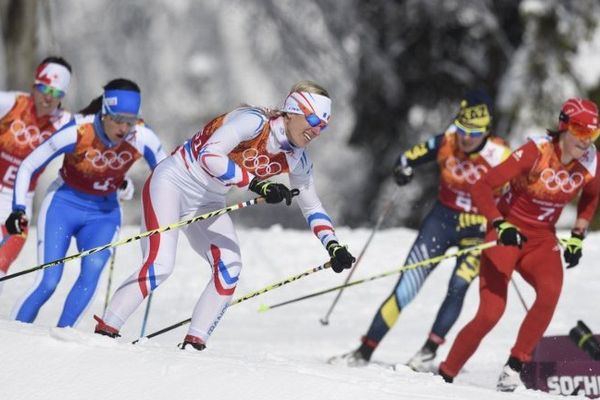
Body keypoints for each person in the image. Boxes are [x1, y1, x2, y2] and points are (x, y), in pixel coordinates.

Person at [94, 80, 356, 349]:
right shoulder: (253, 121)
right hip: (174, 181)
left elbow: (312, 207)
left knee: (229, 268)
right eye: (313, 118)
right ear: (291, 110)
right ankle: (106, 331)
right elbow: (210, 155)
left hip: (208, 201)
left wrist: (332, 245)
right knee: (160, 265)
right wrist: (257, 183)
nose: (317, 129)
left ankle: (194, 344)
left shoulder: (297, 159)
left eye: (323, 124)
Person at [328, 91, 511, 371]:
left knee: (458, 287)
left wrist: (505, 224)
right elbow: (406, 158)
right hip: (441, 221)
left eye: (473, 133)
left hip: (476, 229)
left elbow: (519, 191)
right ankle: (364, 351)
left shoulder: (500, 154)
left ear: (486, 131)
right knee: (406, 286)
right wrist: (403, 171)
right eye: (462, 130)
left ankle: (428, 351)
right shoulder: (447, 141)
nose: (465, 138)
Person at [438, 98, 600, 391]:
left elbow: (591, 196)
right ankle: (446, 375)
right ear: (564, 126)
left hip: (540, 240)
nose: (586, 140)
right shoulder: (535, 151)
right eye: (580, 130)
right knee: (491, 314)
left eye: (593, 134)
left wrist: (577, 235)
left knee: (550, 291)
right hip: (507, 232)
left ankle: (514, 366)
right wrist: (499, 223)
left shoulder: (590, 161)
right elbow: (482, 186)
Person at [6, 78, 167, 327]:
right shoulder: (79, 131)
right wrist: (18, 209)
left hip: (103, 213)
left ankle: (64, 338)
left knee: (91, 272)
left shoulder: (142, 136)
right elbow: (28, 164)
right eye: (117, 120)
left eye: (130, 121)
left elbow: (167, 175)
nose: (124, 128)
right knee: (48, 280)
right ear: (105, 112)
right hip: (63, 204)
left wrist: (162, 210)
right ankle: (12, 335)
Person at [0, 57, 73, 284]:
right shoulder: (11, 103)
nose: (48, 97)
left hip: (18, 206)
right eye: (44, 88)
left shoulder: (65, 123)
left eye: (57, 93)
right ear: (34, 85)